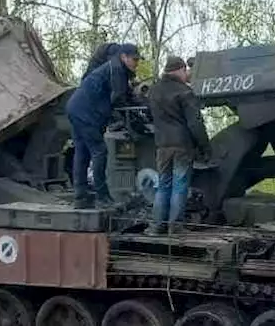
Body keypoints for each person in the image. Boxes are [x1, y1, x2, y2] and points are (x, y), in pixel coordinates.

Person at [66, 43, 141, 208]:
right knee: (100, 151)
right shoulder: (117, 70)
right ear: (124, 57)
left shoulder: (112, 68)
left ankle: (80, 197)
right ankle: (102, 197)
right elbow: (118, 97)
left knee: (82, 152)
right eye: (134, 59)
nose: (137, 63)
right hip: (87, 112)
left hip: (75, 107)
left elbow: (120, 94)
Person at [146, 55, 210, 234]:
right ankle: (175, 227)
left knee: (163, 185)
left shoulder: (154, 91)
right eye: (185, 71)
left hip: (162, 145)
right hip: (182, 146)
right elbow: (195, 123)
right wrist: (205, 147)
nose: (187, 75)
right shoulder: (185, 92)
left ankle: (157, 225)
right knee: (180, 186)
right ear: (180, 70)